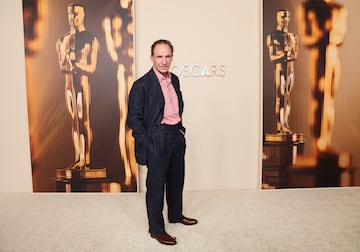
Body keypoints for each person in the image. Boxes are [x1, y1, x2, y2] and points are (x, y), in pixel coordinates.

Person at [127, 39, 198, 246]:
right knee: (156, 185)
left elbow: (176, 107)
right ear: (152, 58)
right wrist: (149, 142)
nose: (164, 61)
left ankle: (175, 215)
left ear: (172, 57)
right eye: (159, 56)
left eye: (167, 56)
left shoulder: (174, 79)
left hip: (176, 135)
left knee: (177, 179)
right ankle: (156, 229)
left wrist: (181, 130)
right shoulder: (141, 85)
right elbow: (134, 119)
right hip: (157, 137)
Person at [298, 0, 347, 152]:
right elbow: (306, 38)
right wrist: (320, 36)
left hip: (332, 58)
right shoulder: (308, 7)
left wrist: (331, 36)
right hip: (317, 58)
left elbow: (340, 37)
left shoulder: (338, 9)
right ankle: (317, 141)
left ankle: (326, 140)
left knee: (329, 100)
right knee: (318, 100)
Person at [56, 3, 99, 169]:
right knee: (74, 122)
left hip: (82, 85)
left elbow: (92, 68)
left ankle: (85, 159)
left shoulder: (91, 39)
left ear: (83, 15)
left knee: (84, 121)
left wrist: (76, 64)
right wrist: (68, 62)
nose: (73, 18)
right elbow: (61, 66)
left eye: (76, 14)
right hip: (69, 87)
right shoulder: (63, 40)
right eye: (70, 14)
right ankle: (77, 158)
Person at [266, 9, 298, 134]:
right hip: (279, 69)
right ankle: (280, 126)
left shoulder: (292, 36)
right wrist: (284, 54)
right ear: (277, 18)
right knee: (280, 97)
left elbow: (295, 55)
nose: (285, 20)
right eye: (282, 17)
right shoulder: (273, 36)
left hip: (290, 70)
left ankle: (286, 124)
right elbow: (272, 57)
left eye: (287, 17)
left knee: (288, 98)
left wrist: (288, 54)